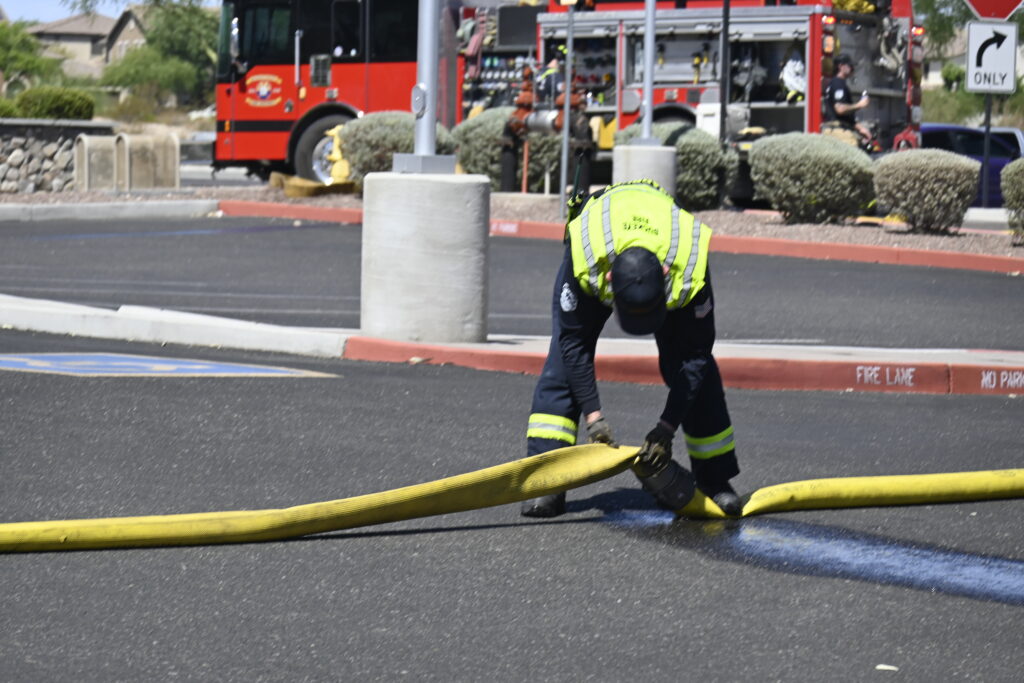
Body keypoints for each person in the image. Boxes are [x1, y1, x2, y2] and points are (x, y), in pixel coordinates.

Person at [521, 179, 743, 519]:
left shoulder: (688, 268)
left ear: (665, 274)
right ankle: (546, 482)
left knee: (694, 372)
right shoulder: (587, 258)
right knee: (562, 366)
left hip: (661, 231)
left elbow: (695, 357)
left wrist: (666, 428)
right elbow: (574, 343)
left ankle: (714, 481)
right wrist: (594, 418)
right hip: (603, 227)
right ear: (610, 280)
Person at [823, 53, 873, 147]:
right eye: (849, 65)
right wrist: (860, 104)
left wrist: (860, 128)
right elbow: (840, 109)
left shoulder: (838, 83)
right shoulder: (838, 83)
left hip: (839, 129)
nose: (852, 68)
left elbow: (844, 116)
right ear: (841, 66)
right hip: (837, 131)